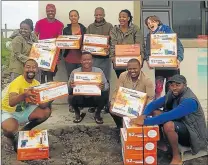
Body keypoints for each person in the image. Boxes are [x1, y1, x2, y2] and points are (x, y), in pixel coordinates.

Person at [130, 75, 208, 165]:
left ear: (185, 85)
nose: (174, 88)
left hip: (193, 132)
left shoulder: (189, 101)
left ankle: (177, 157)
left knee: (168, 125)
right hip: (181, 122)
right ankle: (162, 143)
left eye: (178, 85)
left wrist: (145, 122)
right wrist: (143, 115)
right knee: (155, 112)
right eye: (172, 85)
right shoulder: (172, 93)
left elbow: (169, 116)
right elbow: (154, 104)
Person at [1, 59, 52, 152]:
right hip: (8, 111)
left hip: (23, 111)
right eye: (28, 67)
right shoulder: (17, 82)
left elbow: (43, 106)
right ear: (23, 68)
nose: (31, 70)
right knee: (10, 129)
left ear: (37, 70)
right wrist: (24, 95)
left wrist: (50, 96)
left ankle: (24, 130)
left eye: (34, 67)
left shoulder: (36, 84)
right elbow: (11, 102)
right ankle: (9, 137)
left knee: (46, 111)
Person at [144, 15, 184, 99]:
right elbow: (147, 50)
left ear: (158, 22)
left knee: (171, 89)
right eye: (148, 23)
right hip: (159, 67)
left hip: (172, 66)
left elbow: (179, 46)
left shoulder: (169, 31)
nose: (150, 24)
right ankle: (157, 107)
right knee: (158, 89)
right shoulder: (149, 36)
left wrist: (179, 59)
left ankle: (170, 107)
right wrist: (148, 61)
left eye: (152, 21)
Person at [109, 58, 154, 129]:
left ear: (140, 67)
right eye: (130, 69)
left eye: (135, 68)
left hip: (140, 106)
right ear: (127, 68)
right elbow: (117, 92)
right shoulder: (122, 76)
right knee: (111, 108)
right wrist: (113, 104)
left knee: (150, 113)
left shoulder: (147, 80)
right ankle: (121, 127)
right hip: (126, 104)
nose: (132, 71)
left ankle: (134, 127)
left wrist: (143, 111)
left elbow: (150, 98)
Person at [68, 51, 109, 124]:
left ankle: (97, 114)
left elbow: (106, 86)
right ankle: (77, 113)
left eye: (89, 59)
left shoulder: (98, 71)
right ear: (81, 61)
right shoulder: (75, 72)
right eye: (84, 60)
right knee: (71, 96)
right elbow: (68, 89)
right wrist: (71, 86)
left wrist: (102, 87)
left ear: (92, 61)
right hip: (81, 98)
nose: (87, 61)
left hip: (94, 98)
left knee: (105, 94)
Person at [86, 7, 113, 114]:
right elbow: (86, 42)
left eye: (100, 15)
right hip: (94, 58)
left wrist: (107, 47)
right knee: (94, 81)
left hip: (105, 59)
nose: (98, 17)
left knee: (105, 81)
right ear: (94, 15)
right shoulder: (90, 27)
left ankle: (105, 104)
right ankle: (95, 105)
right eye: (96, 15)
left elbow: (112, 41)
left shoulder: (109, 26)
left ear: (104, 15)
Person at [63, 10, 86, 113]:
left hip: (81, 58)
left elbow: (87, 42)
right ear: (69, 17)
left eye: (75, 15)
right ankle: (72, 103)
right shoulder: (66, 29)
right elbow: (64, 42)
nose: (73, 17)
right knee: (71, 81)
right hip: (69, 58)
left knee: (81, 81)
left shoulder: (83, 28)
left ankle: (80, 103)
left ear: (78, 17)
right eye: (71, 16)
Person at [110, 9, 144, 78]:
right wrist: (112, 58)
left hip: (133, 62)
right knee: (122, 82)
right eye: (120, 17)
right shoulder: (114, 30)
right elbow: (113, 45)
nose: (121, 19)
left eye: (124, 17)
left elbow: (139, 45)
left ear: (128, 18)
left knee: (133, 82)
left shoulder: (135, 29)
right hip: (119, 61)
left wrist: (141, 59)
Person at [34, 4, 64, 83]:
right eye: (48, 11)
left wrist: (58, 55)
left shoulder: (60, 24)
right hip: (41, 54)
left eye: (52, 11)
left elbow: (60, 40)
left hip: (53, 54)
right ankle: (42, 92)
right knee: (41, 76)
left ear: (55, 11)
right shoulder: (39, 23)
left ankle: (49, 93)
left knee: (51, 76)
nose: (50, 12)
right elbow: (34, 37)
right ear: (46, 12)